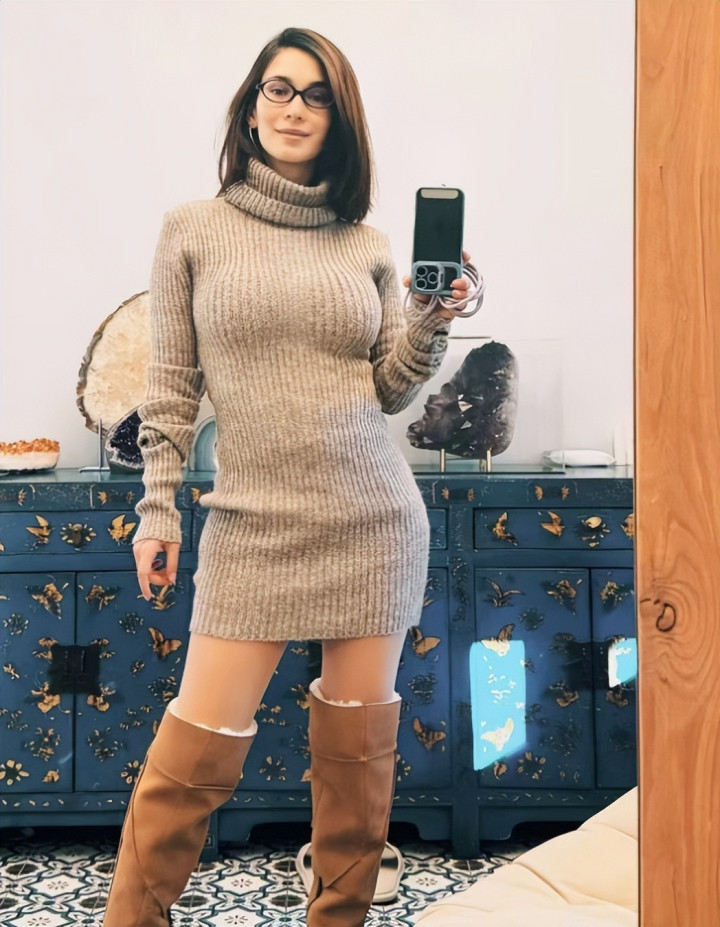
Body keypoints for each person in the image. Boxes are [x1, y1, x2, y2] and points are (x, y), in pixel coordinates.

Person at [103, 26, 475, 927]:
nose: (295, 108)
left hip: (372, 519)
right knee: (193, 756)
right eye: (279, 88)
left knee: (355, 759)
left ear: (340, 120)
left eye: (316, 95)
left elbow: (388, 387)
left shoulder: (366, 243)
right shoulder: (193, 229)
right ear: (250, 106)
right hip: (252, 521)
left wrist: (431, 318)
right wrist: (158, 513)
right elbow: (171, 388)